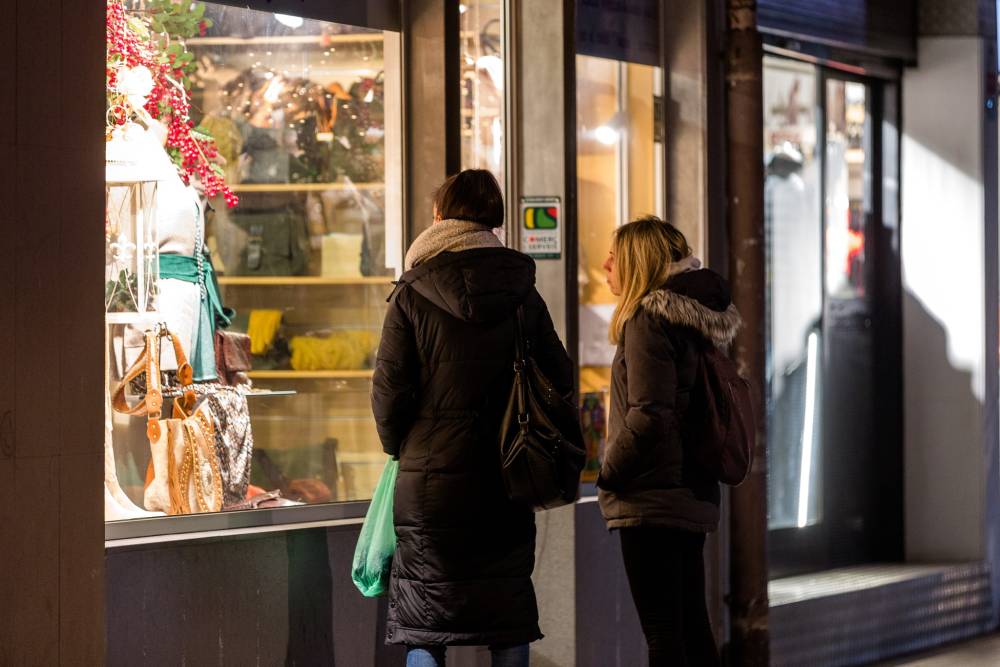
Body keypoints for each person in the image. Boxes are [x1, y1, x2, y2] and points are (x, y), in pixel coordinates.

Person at [371, 169, 575, 667]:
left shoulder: (413, 290)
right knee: (505, 620)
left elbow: (389, 393)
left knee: (426, 623)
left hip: (431, 483)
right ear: (493, 219)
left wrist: (404, 446)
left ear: (440, 214)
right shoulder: (521, 291)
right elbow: (560, 374)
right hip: (506, 474)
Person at [597, 216, 740, 667]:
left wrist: (609, 472)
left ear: (638, 262)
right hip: (689, 488)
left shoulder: (648, 320)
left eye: (615, 257)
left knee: (664, 634)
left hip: (651, 496)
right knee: (692, 627)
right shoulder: (690, 319)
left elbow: (650, 414)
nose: (605, 265)